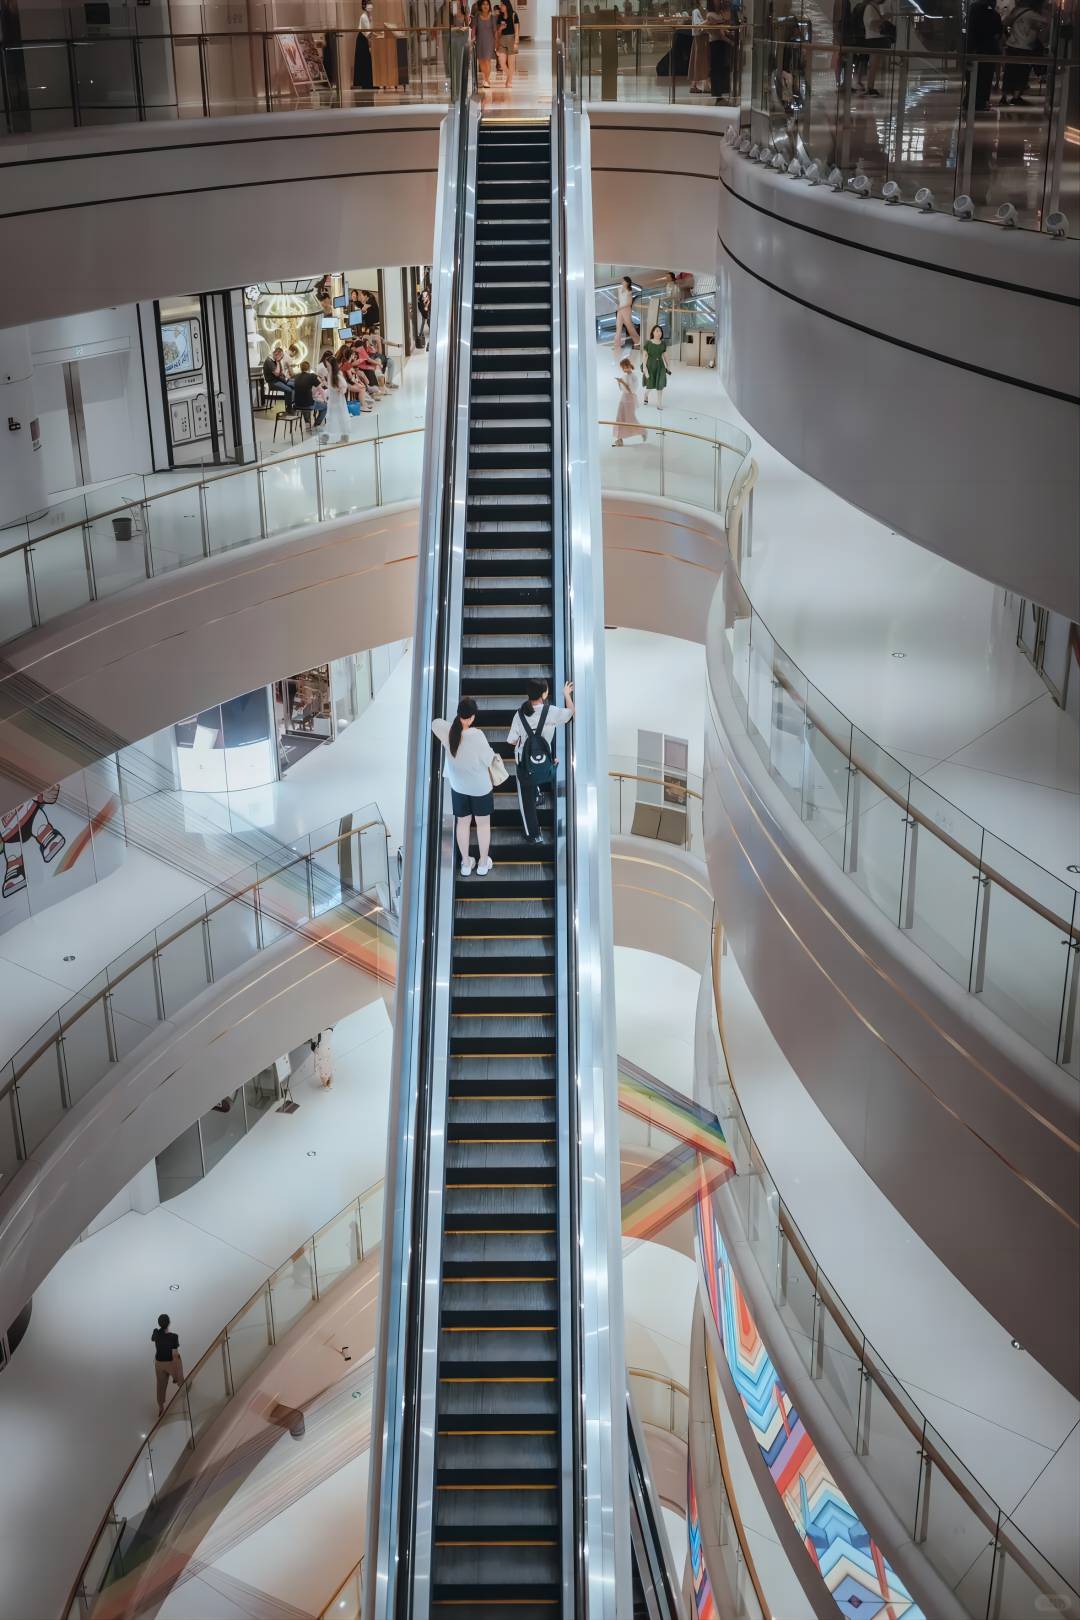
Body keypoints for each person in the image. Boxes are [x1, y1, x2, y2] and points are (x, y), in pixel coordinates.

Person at [432, 697, 499, 876]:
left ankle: (466, 863)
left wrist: (454, 724)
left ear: (459, 714)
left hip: (458, 787)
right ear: (472, 717)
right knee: (483, 824)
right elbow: (488, 759)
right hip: (480, 788)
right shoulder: (477, 736)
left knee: (463, 823)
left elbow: (434, 723)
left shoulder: (448, 731)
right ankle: (483, 863)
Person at [508, 680, 575, 843]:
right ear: (544, 694)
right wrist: (566, 694)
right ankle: (537, 793)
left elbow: (511, 740)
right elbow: (571, 713)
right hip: (546, 766)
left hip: (525, 766)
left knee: (526, 803)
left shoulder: (519, 714)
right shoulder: (551, 712)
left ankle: (533, 835)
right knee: (536, 773)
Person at [1001, 0, 1049, 103]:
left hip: (1012, 45)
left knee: (1009, 71)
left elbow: (1005, 22)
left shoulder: (1016, 11)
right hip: (1024, 47)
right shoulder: (1031, 14)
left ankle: (1004, 96)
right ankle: (1016, 97)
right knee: (1022, 72)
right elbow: (1045, 21)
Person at [966, 0, 1004, 108]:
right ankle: (982, 102)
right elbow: (998, 33)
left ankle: (969, 100)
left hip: (973, 49)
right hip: (988, 50)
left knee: (972, 78)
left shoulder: (973, 12)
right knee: (985, 78)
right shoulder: (994, 15)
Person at [861, 0, 896, 96]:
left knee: (875, 65)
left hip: (875, 39)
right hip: (874, 39)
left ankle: (870, 87)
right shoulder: (870, 8)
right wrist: (883, 19)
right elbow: (871, 24)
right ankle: (870, 87)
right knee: (874, 64)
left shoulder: (874, 7)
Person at [152, 1313, 182, 1418]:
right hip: (169, 1363)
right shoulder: (173, 1337)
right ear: (169, 1323)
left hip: (159, 1364)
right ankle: (179, 1381)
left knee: (160, 1386)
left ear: (159, 1323)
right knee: (178, 1358)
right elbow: (174, 1354)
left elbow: (153, 1339)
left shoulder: (155, 1332)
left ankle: (160, 1407)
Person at [318, 348, 352, 440]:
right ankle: (327, 436)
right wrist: (324, 391)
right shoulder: (330, 375)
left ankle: (344, 438)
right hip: (332, 401)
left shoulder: (337, 375)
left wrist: (340, 391)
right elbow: (330, 388)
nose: (326, 366)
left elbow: (344, 385)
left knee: (340, 419)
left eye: (328, 365)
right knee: (330, 418)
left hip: (338, 401)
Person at [612, 357, 647, 445]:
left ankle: (642, 431)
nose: (624, 369)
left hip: (630, 399)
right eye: (622, 368)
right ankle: (619, 439)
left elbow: (631, 390)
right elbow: (622, 389)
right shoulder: (625, 376)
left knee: (630, 418)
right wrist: (619, 382)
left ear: (628, 366)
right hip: (623, 398)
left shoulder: (634, 377)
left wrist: (622, 382)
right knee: (619, 418)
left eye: (625, 367)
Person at [642, 324, 671, 407]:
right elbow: (644, 356)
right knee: (650, 386)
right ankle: (646, 395)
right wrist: (645, 369)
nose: (659, 333)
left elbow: (665, 355)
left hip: (660, 366)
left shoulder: (663, 344)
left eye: (660, 331)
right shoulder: (648, 343)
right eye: (657, 331)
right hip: (650, 366)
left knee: (660, 384)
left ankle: (659, 403)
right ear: (653, 332)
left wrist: (668, 366)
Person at [474, 0, 498, 88]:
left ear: (489, 6)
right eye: (483, 4)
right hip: (479, 41)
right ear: (481, 6)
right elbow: (474, 28)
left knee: (487, 61)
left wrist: (496, 42)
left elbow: (495, 31)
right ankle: (485, 79)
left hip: (489, 41)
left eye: (487, 4)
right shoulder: (477, 16)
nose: (485, 6)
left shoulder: (492, 17)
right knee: (481, 61)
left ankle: (487, 80)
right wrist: (472, 38)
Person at [495, 0, 520, 85]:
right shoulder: (500, 16)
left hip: (511, 39)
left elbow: (517, 30)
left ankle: (509, 81)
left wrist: (516, 42)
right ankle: (510, 77)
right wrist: (500, 28)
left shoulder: (513, 15)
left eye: (502, 5)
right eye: (500, 5)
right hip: (502, 40)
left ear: (506, 6)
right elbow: (498, 31)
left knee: (511, 63)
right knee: (501, 62)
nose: (500, 6)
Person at [613, 275, 638, 356]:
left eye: (623, 281)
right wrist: (618, 306)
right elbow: (618, 300)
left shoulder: (629, 291)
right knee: (618, 326)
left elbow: (629, 303)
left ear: (627, 282)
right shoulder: (619, 289)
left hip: (626, 309)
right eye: (622, 281)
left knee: (629, 327)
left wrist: (620, 307)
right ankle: (617, 345)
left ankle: (637, 341)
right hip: (620, 309)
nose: (622, 282)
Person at [689, 5, 711, 91]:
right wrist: (707, 22)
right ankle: (700, 85)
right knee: (700, 61)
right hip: (700, 39)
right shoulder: (696, 11)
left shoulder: (706, 11)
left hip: (705, 37)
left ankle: (697, 85)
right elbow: (697, 27)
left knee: (701, 61)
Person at [354, 0, 374, 89]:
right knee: (365, 60)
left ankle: (368, 82)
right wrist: (370, 43)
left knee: (367, 60)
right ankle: (366, 83)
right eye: (368, 4)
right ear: (364, 6)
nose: (370, 6)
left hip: (365, 38)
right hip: (363, 39)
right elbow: (368, 32)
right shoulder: (364, 17)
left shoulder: (369, 16)